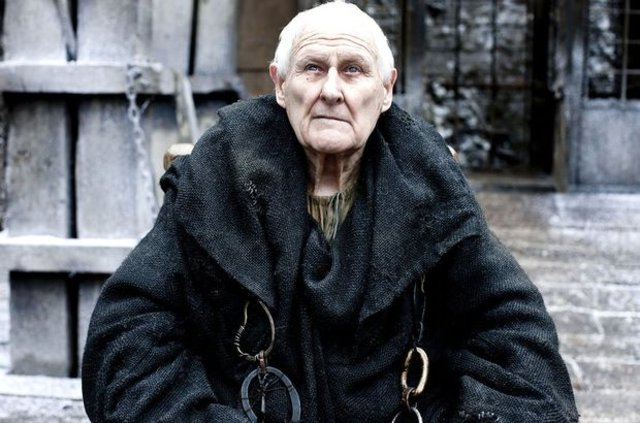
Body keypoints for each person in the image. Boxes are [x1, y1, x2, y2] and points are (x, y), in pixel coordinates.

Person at [81, 1, 579, 422]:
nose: (332, 90)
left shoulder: (428, 186)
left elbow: (514, 330)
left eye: (354, 70)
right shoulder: (221, 174)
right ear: (281, 85)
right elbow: (128, 330)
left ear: (386, 90)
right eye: (313, 68)